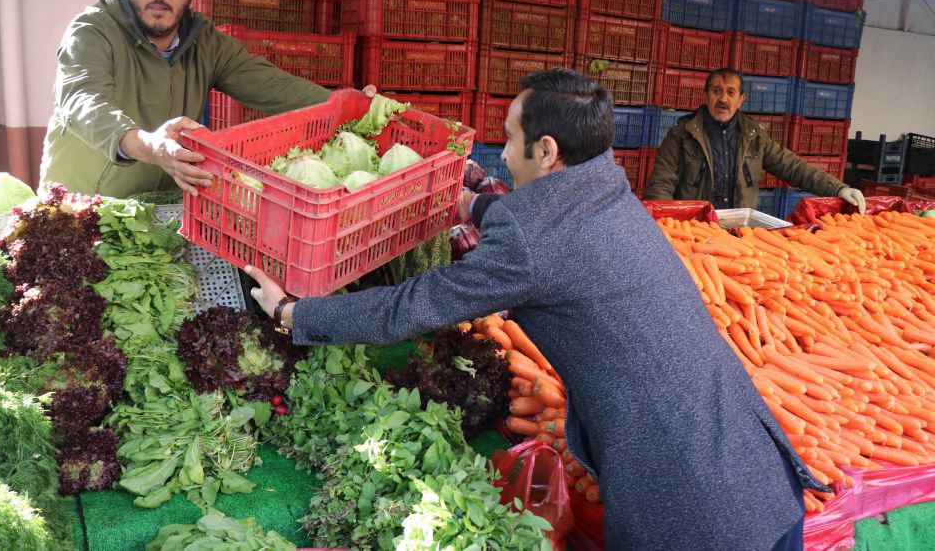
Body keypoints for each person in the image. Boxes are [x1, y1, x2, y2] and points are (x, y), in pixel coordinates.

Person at [245, 68, 824, 550]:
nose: (502, 151)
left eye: (507, 137)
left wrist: (295, 314)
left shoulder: (534, 242)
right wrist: (470, 200)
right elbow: (540, 225)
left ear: (546, 151)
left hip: (692, 506)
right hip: (757, 473)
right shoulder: (608, 187)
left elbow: (413, 305)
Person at [38, 0, 336, 198]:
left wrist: (358, 104)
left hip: (156, 216)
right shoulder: (93, 30)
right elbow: (82, 100)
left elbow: (274, 87)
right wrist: (151, 146)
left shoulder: (206, 44)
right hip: (80, 208)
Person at [644, 67, 866, 214]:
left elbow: (793, 167)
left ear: (741, 100)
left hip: (739, 232)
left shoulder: (755, 137)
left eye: (731, 93)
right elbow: (660, 187)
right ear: (706, 95)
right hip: (695, 231)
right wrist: (672, 228)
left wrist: (838, 189)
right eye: (717, 91)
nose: (723, 98)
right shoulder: (681, 136)